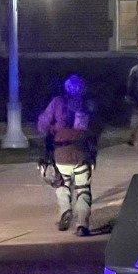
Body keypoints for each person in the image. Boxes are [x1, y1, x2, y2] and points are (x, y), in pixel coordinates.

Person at [37, 74, 98, 236]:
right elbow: (94, 129)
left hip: (61, 152)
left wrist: (52, 130)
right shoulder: (87, 105)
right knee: (83, 189)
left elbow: (42, 124)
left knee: (62, 185)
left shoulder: (57, 102)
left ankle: (65, 210)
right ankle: (82, 224)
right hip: (81, 152)